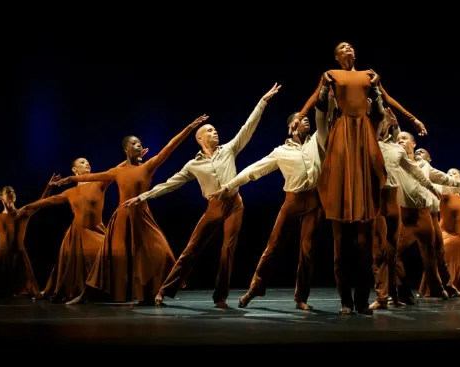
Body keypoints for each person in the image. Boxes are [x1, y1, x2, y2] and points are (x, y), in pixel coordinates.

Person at [288, 42, 425, 314]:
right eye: (342, 47)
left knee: (364, 246)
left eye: (350, 46)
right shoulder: (331, 74)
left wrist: (413, 119)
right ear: (337, 56)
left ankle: (361, 301)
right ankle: (345, 302)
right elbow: (314, 98)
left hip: (362, 132)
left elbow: (389, 101)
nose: (348, 48)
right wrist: (299, 117)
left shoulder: (368, 75)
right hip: (343, 130)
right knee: (341, 246)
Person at [122, 84, 280, 308]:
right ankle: (165, 290)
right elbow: (170, 183)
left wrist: (262, 102)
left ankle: (220, 297)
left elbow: (248, 127)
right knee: (192, 248)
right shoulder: (193, 165)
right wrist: (143, 197)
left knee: (227, 250)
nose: (214, 132)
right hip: (213, 207)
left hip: (234, 204)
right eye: (209, 130)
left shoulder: (229, 149)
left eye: (215, 130)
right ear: (199, 138)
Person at [56, 115, 209, 305]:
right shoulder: (118, 171)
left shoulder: (147, 167)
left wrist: (189, 127)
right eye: (134, 143)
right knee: (107, 258)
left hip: (142, 217)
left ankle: (150, 294)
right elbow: (94, 176)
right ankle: (86, 295)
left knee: (162, 252)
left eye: (140, 144)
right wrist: (70, 179)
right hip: (122, 219)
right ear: (126, 149)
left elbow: (169, 147)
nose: (138, 146)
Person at [210, 100, 330, 310]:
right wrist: (228, 186)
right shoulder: (280, 152)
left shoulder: (317, 141)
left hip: (314, 200)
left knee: (308, 250)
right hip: (292, 201)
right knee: (273, 246)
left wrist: (328, 95)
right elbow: (254, 170)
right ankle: (255, 288)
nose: (306, 121)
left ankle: (301, 298)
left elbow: (325, 118)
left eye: (306, 118)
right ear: (291, 126)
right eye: (300, 119)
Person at [372, 108, 443, 308]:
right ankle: (382, 297)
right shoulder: (370, 143)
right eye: (380, 121)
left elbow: (413, 170)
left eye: (384, 122)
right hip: (375, 199)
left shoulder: (397, 149)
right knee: (379, 252)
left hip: (393, 200)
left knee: (393, 252)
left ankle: (396, 296)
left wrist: (431, 187)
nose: (382, 124)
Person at [17, 158, 109, 302]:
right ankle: (71, 291)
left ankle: (100, 291)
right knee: (70, 264)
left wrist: (130, 160)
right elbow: (49, 200)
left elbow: (115, 171)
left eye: (88, 162)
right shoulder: (70, 192)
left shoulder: (99, 183)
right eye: (82, 162)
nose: (87, 163)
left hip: (96, 229)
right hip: (76, 232)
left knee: (105, 254)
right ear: (74, 169)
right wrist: (28, 206)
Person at [396, 132, 460, 297]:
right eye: (398, 139)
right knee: (393, 252)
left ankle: (444, 289)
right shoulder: (398, 161)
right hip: (408, 214)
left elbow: (444, 178)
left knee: (436, 253)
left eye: (404, 139)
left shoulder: (425, 166)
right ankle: (399, 291)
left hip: (429, 215)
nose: (420, 153)